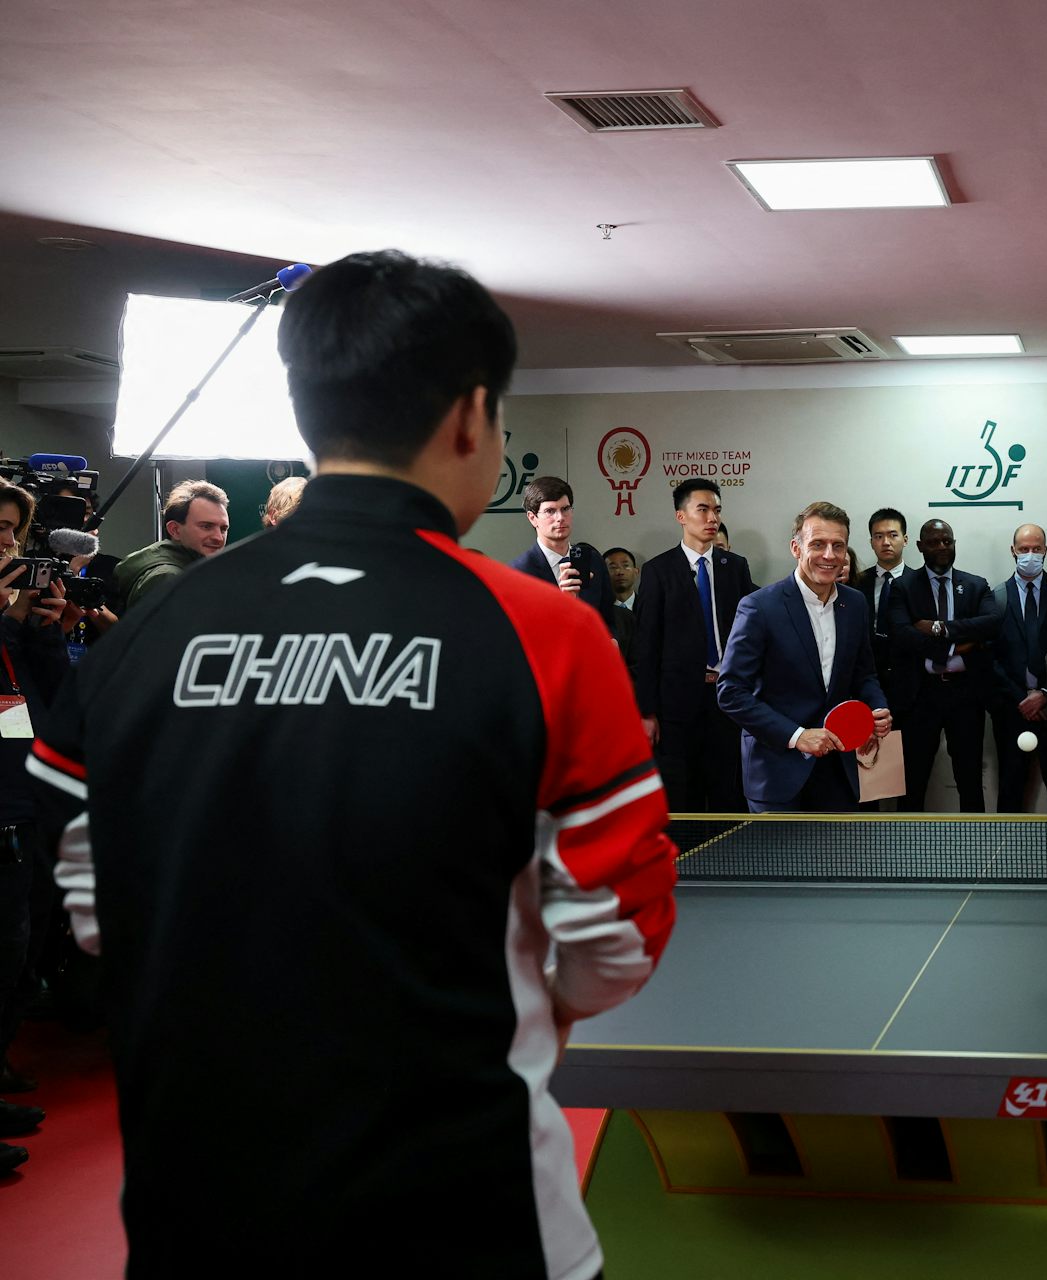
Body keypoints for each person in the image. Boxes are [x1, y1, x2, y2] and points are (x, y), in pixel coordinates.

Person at [30, 250, 678, 1277]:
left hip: (189, 1209)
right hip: (472, 1212)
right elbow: (615, 940)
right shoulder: (546, 635)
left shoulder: (145, 633)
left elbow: (87, 901)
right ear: (472, 416)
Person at [0, 481, 92, 1172]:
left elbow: (54, 701)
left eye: (11, 533)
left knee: (18, 953)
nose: (4, 545)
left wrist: (44, 634)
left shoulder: (12, 618)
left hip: (23, 803)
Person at [716, 502, 889, 812]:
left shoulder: (855, 604)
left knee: (842, 862)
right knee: (780, 862)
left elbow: (864, 674)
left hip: (840, 773)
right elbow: (731, 692)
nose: (829, 555)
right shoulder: (759, 607)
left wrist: (878, 707)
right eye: (818, 544)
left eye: (838, 545)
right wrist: (797, 736)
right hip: (777, 773)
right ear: (796, 548)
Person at [633, 479, 754, 812]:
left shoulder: (735, 567)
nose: (711, 518)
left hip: (727, 700)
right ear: (681, 516)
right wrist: (647, 711)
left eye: (716, 510)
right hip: (676, 706)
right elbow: (647, 645)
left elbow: (749, 639)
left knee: (727, 794)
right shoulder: (658, 571)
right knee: (681, 796)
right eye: (702, 509)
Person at [888, 518, 997, 811]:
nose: (942, 547)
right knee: (913, 779)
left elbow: (990, 623)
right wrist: (956, 645)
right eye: (934, 542)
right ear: (921, 546)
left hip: (965, 695)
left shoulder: (976, 585)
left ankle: (975, 845)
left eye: (947, 541)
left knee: (970, 778)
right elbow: (902, 634)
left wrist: (939, 630)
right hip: (919, 696)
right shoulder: (902, 587)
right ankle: (907, 849)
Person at [987, 523, 1047, 811]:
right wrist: (1020, 698)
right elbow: (989, 657)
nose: (1030, 555)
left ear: (1045, 551)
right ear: (1013, 551)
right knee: (1011, 789)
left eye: (1036, 549)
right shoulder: (996, 597)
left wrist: (1045, 694)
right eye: (1024, 549)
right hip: (1011, 710)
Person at [509, 476, 618, 632]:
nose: (560, 518)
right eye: (550, 511)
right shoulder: (519, 572)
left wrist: (612, 640)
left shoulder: (592, 560)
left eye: (565, 509)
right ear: (533, 518)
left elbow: (608, 617)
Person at [107, 479, 228, 614]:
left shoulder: (186, 571)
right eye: (206, 526)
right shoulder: (167, 579)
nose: (218, 537)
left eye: (223, 529)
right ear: (175, 530)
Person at [853, 507, 910, 693]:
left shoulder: (920, 583)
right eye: (878, 537)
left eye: (893, 535)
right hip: (867, 676)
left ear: (905, 539)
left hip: (909, 676)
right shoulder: (856, 583)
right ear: (871, 542)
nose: (886, 542)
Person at [604, 545, 639, 611]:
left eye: (626, 566)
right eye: (613, 567)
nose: (620, 572)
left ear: (636, 572)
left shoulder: (649, 607)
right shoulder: (597, 610)